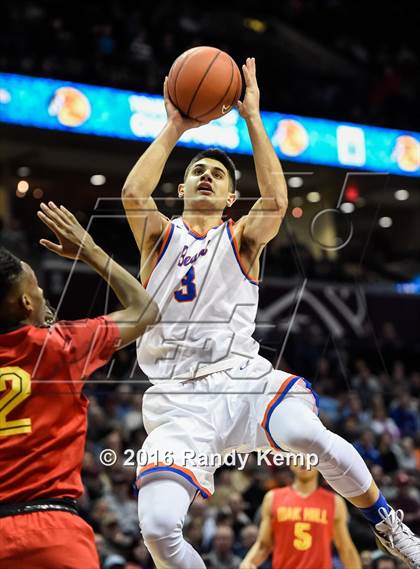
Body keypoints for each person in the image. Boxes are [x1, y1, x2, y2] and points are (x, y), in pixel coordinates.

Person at [122, 58, 420, 569]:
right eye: (198, 171)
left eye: (218, 173)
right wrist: (176, 125)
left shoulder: (240, 237)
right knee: (156, 527)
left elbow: (278, 201)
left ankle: (389, 524)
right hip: (177, 403)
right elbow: (131, 193)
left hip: (242, 381)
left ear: (232, 197)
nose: (207, 177)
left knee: (305, 435)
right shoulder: (158, 235)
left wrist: (253, 118)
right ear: (182, 189)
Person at [0, 202, 158, 568]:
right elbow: (144, 310)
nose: (42, 293)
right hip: (54, 531)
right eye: (37, 287)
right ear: (26, 303)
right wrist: (90, 251)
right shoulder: (60, 345)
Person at [239, 464, 361, 569]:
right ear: (291, 462)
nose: (304, 462)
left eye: (310, 457)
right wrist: (248, 562)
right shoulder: (272, 498)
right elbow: (264, 545)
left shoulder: (335, 502)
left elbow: (345, 549)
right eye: (299, 456)